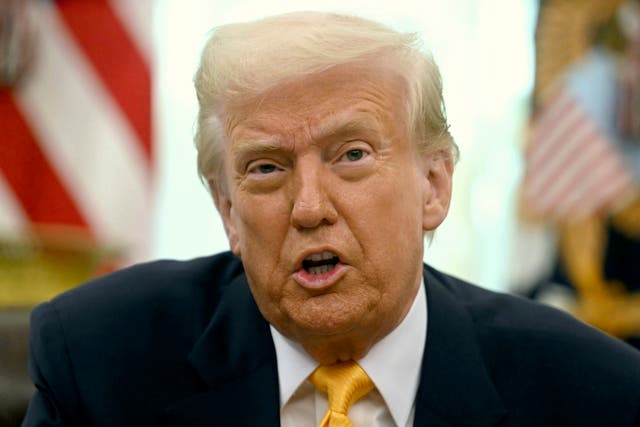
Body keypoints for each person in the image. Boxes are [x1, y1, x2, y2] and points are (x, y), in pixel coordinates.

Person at [22, 11, 640, 427]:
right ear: (227, 211)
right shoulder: (99, 361)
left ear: (434, 184)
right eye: (266, 168)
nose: (310, 207)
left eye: (352, 155)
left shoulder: (593, 393)